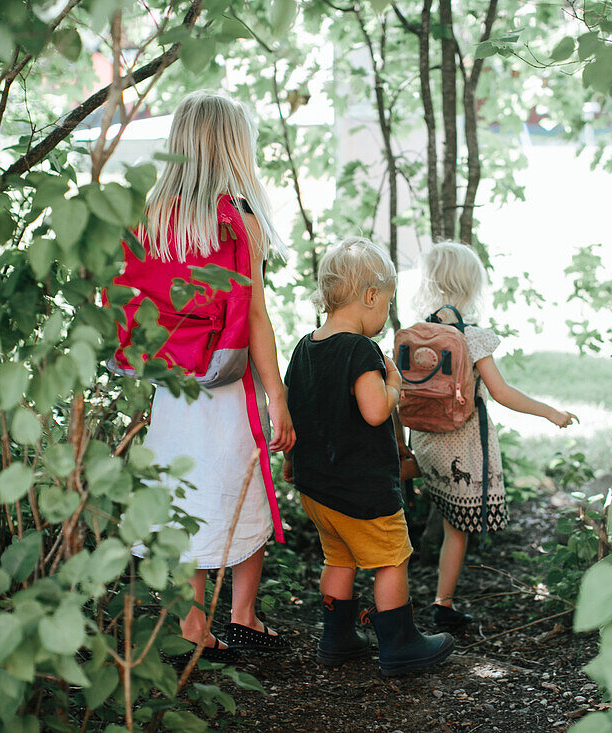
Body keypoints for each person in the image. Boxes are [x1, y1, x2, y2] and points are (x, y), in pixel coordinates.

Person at [113, 91, 296, 659]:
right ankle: (241, 614)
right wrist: (278, 398)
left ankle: (193, 624)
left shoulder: (152, 214)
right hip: (228, 382)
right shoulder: (238, 217)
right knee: (243, 491)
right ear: (232, 147)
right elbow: (257, 318)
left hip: (173, 384)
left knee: (185, 495)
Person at [283, 237, 454, 676]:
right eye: (386, 304)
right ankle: (400, 644)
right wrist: (394, 385)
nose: (384, 315)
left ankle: (337, 637)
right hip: (363, 490)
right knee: (390, 558)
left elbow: (296, 409)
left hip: (317, 488)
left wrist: (291, 464)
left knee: (337, 558)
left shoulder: (305, 348)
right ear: (371, 296)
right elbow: (375, 411)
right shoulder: (361, 350)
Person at [409, 242, 578, 629]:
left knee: (430, 512)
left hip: (424, 440)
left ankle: (402, 601)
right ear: (470, 287)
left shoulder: (418, 334)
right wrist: (550, 412)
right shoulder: (472, 337)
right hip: (460, 442)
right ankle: (443, 605)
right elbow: (501, 393)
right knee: (457, 530)